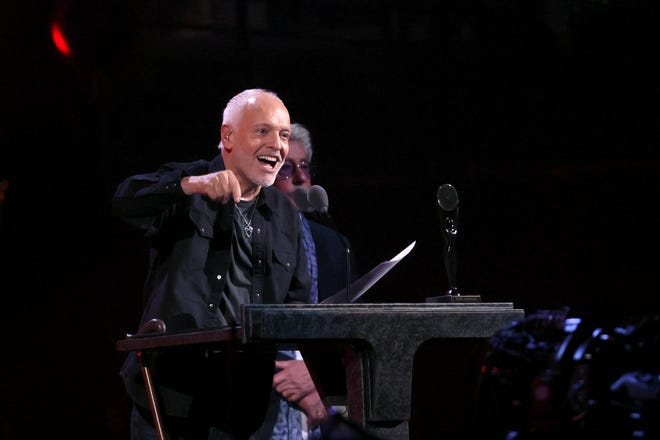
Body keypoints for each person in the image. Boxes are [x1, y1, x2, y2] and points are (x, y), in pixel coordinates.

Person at [113, 88, 326, 440]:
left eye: (283, 135)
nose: (277, 145)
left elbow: (296, 304)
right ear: (227, 136)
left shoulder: (285, 215)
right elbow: (125, 200)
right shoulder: (190, 185)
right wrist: (191, 186)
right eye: (263, 131)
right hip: (172, 400)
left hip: (244, 408)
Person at [270, 122, 358, 438]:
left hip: (326, 395)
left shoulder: (336, 245)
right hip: (268, 396)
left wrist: (317, 376)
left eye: (305, 166)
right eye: (287, 169)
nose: (300, 178)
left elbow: (352, 334)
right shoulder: (250, 238)